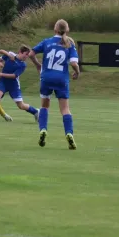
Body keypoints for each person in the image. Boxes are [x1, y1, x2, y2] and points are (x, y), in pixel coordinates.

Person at [29, 19, 80, 149]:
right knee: (65, 109)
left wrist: (37, 65)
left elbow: (31, 53)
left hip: (46, 78)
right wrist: (77, 72)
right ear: (67, 30)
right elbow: (74, 63)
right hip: (61, 79)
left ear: (55, 30)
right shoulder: (70, 44)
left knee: (45, 106)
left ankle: (43, 130)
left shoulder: (47, 42)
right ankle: (69, 133)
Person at [0, 46, 39, 123]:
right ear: (20, 52)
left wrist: (0, 74)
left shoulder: (23, 65)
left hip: (14, 85)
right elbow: (0, 58)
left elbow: (14, 76)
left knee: (21, 106)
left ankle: (36, 111)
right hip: (3, 82)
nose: (27, 56)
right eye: (26, 54)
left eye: (28, 55)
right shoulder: (10, 55)